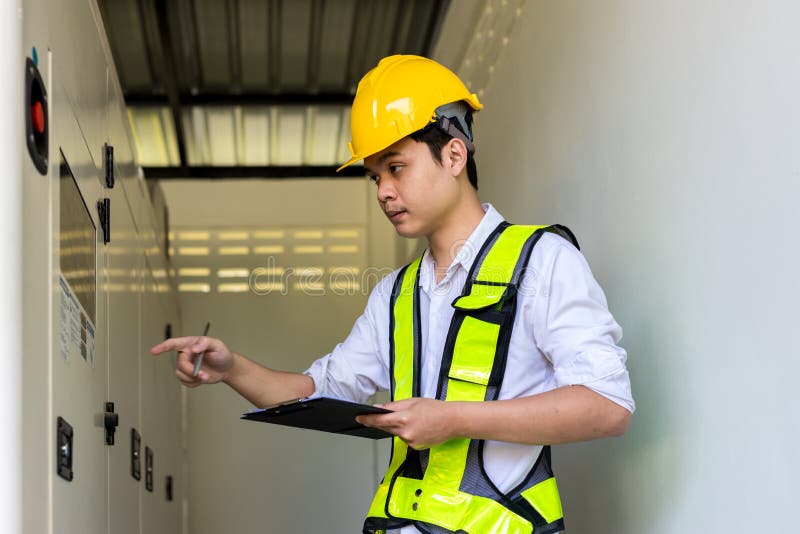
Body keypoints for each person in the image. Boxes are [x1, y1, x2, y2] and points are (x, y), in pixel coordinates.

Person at [151, 55, 634, 534]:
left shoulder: (543, 261)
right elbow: (321, 391)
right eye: (375, 176)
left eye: (397, 167)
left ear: (454, 155)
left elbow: (606, 405)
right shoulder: (396, 295)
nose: (383, 191)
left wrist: (454, 419)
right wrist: (232, 369)